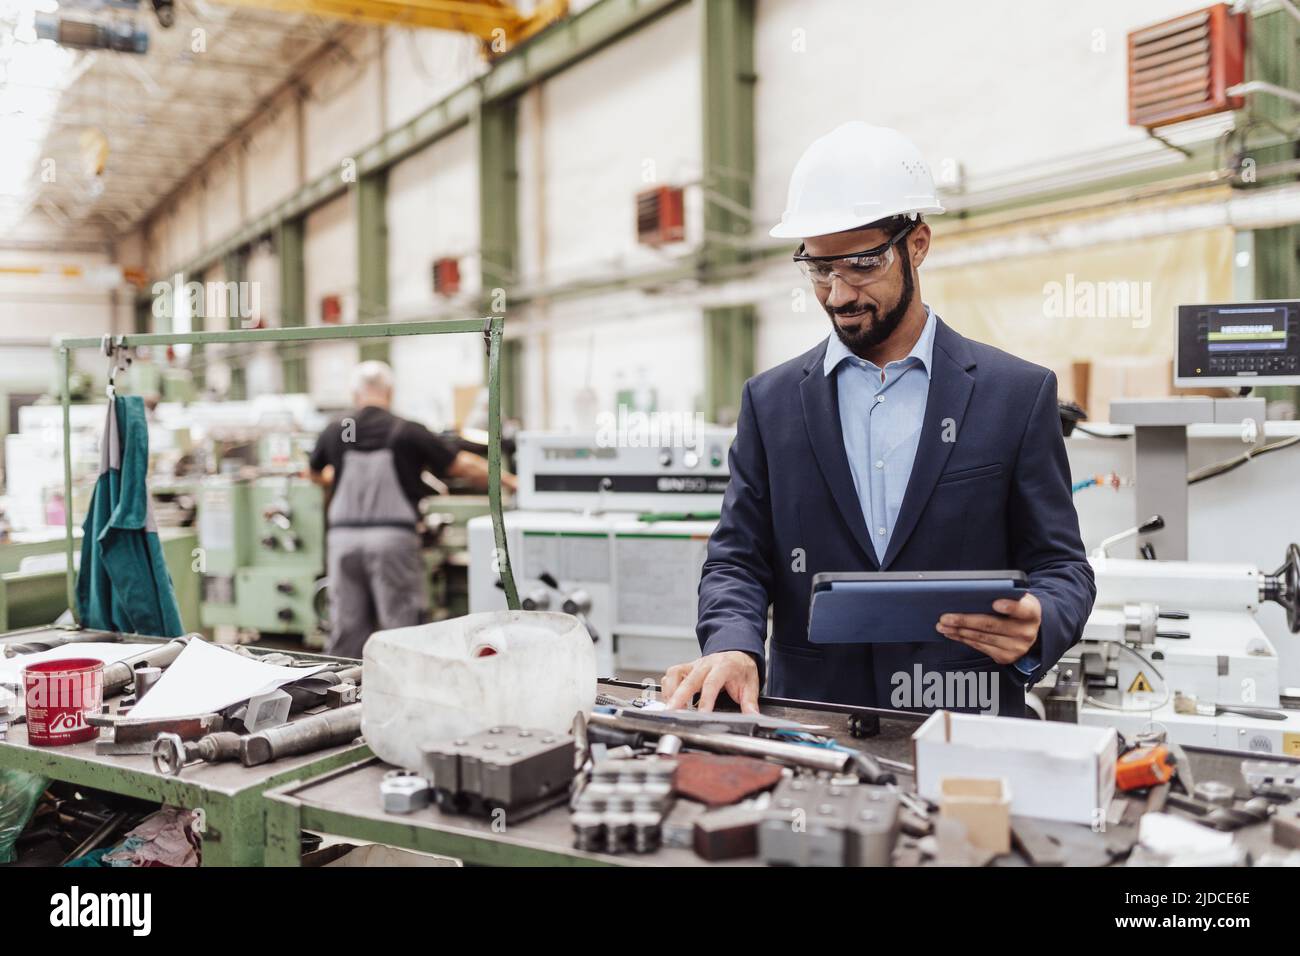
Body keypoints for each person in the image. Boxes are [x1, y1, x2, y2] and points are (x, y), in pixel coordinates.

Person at [663, 122, 1095, 716]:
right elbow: (737, 559)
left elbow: (1061, 566)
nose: (838, 294)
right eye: (818, 269)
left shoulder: (1015, 395)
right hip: (812, 723)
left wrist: (1043, 620)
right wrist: (735, 646)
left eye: (862, 264)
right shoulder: (772, 403)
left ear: (917, 245)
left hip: (963, 722)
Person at [308, 360, 515, 657]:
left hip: (343, 543)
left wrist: (334, 477)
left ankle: (343, 692)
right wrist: (510, 480)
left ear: (355, 394)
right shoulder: (406, 430)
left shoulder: (337, 430)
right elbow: (462, 465)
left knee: (347, 628)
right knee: (400, 627)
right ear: (389, 392)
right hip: (391, 541)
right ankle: (400, 691)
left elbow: (314, 473)